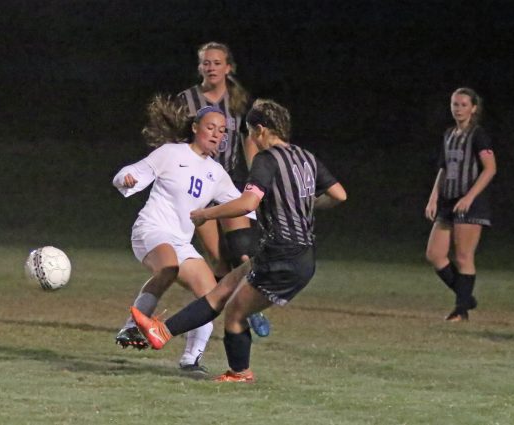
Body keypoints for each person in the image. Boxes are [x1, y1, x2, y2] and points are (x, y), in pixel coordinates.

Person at [131, 99, 347, 382]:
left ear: (259, 131)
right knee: (221, 291)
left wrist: (207, 214)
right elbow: (339, 194)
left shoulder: (267, 159)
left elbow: (247, 203)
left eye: (249, 134)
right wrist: (301, 204)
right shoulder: (306, 157)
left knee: (234, 314)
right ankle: (162, 332)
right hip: (297, 254)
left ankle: (240, 373)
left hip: (281, 254)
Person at [113, 95, 254, 374]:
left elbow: (243, 206)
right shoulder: (171, 153)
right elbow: (133, 172)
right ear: (195, 127)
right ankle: (132, 327)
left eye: (222, 130)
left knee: (211, 296)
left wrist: (277, 211)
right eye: (211, 127)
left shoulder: (216, 173)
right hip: (151, 230)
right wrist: (125, 178)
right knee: (168, 267)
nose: (216, 134)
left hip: (180, 241)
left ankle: (191, 361)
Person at [177, 41, 270, 337]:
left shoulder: (240, 101)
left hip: (229, 183)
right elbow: (174, 142)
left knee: (243, 252)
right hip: (199, 186)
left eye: (217, 63)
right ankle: (228, 305)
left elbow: (250, 139)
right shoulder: (186, 101)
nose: (211, 68)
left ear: (228, 67)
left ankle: (246, 307)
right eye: (206, 62)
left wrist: (259, 176)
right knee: (219, 258)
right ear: (199, 67)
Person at [424, 87, 497, 322]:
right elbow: (444, 169)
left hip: (470, 202)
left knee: (464, 256)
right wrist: (434, 196)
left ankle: (461, 310)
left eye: (463, 104)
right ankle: (465, 297)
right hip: (449, 200)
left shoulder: (478, 135)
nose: (458, 108)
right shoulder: (449, 134)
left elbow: (490, 168)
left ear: (473, 108)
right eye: (455, 104)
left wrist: (469, 197)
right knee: (435, 255)